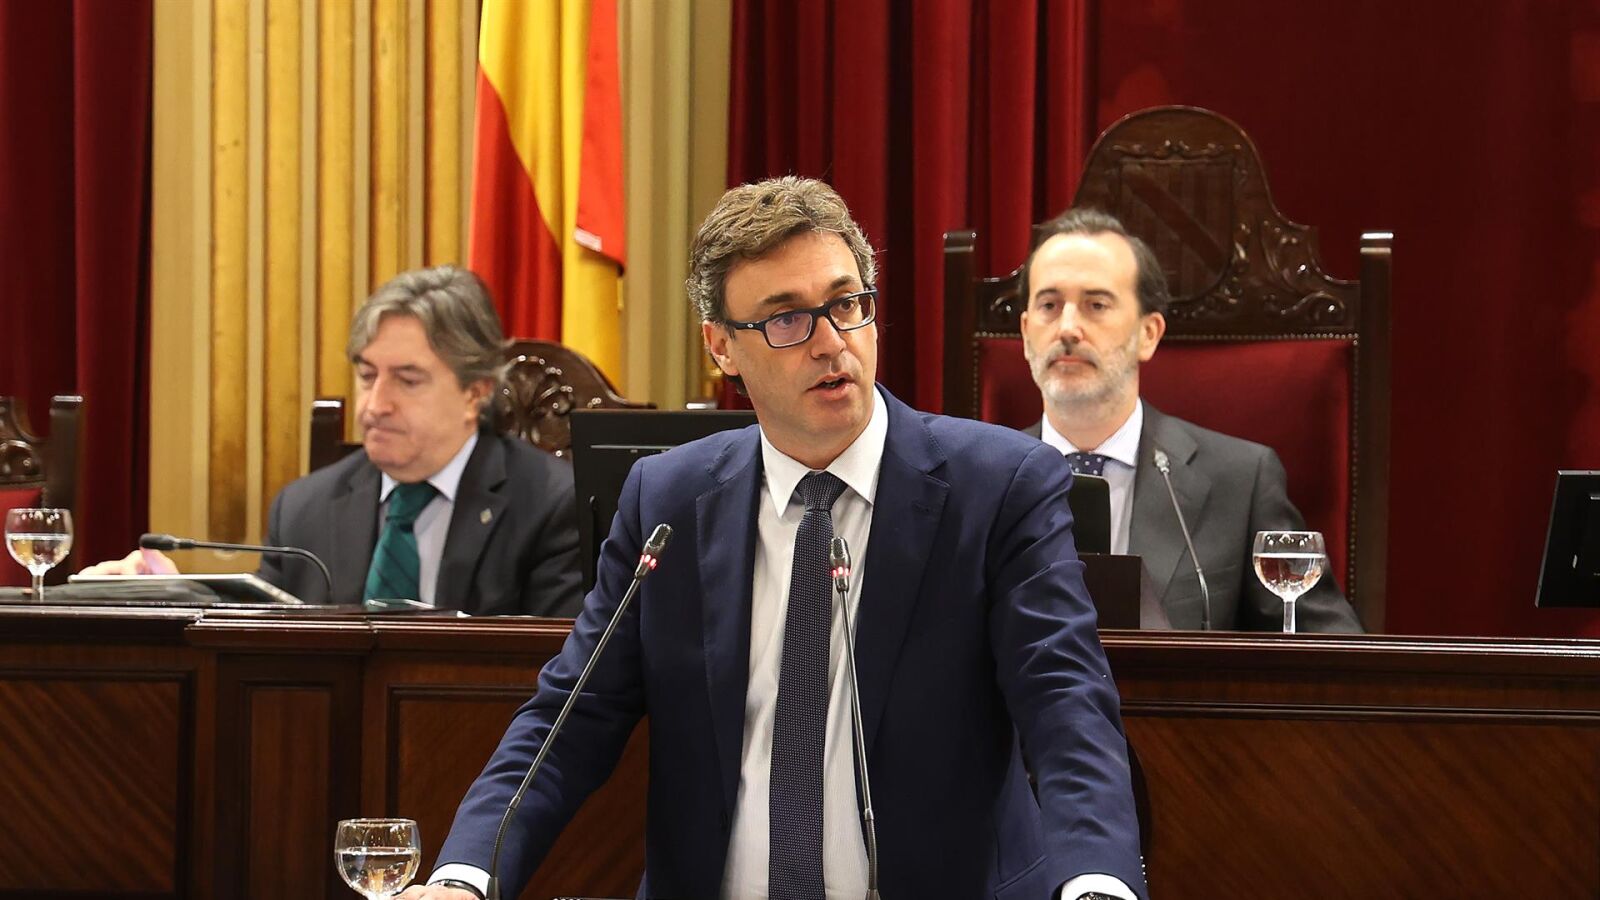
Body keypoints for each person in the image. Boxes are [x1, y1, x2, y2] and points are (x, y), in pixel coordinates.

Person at [404, 178, 1145, 900]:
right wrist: (464, 878)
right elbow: (569, 718)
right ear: (722, 347)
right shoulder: (667, 502)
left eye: (846, 304)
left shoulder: (998, 487)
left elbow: (1065, 703)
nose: (831, 343)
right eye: (787, 319)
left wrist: (1097, 885)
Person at [82, 266, 584, 616]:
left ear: (475, 393)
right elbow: (260, 644)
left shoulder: (552, 505)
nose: (375, 405)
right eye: (367, 376)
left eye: (408, 380)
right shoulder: (304, 510)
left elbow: (557, 677)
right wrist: (167, 596)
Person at [1017, 207, 1362, 633]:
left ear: (1148, 334)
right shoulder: (978, 481)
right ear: (1026, 333)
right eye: (1050, 305)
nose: (1068, 328)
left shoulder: (1242, 481)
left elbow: (1327, 645)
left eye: (1096, 305)